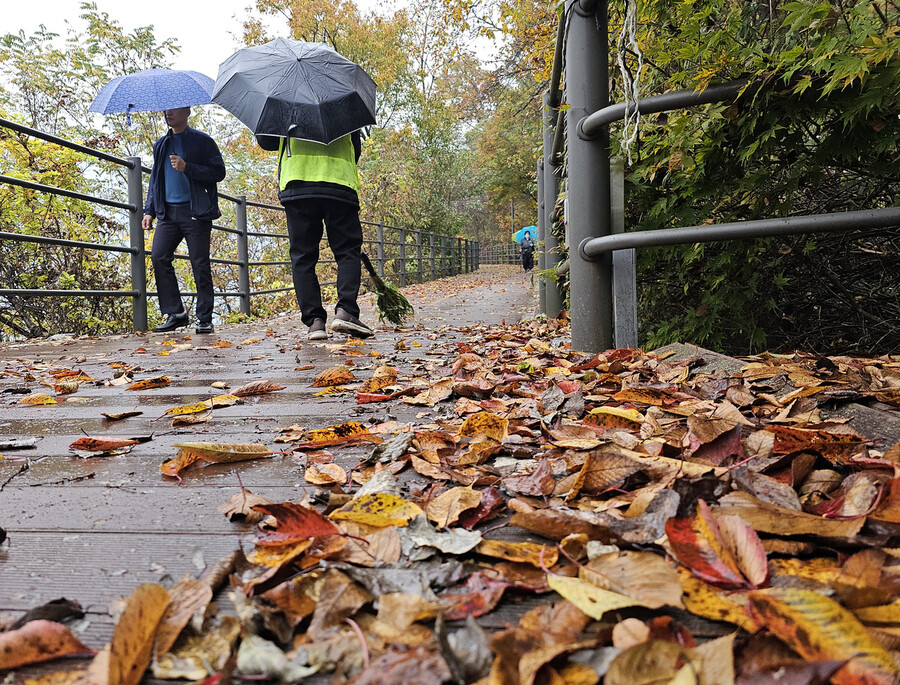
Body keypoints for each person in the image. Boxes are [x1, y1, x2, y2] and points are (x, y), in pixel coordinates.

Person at [257, 130, 372, 340]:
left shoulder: (284, 101)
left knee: (303, 257)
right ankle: (346, 310)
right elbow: (355, 149)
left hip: (297, 184)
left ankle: (315, 322)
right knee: (347, 251)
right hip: (339, 183)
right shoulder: (344, 98)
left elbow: (266, 141)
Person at [143, 107, 226, 334]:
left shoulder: (202, 141)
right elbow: (155, 180)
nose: (168, 113)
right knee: (159, 256)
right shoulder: (161, 144)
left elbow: (218, 172)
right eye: (165, 110)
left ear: (187, 111)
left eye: (174, 110)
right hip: (167, 213)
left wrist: (187, 167)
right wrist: (149, 210)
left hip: (195, 211)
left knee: (199, 262)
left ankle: (205, 318)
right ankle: (176, 313)